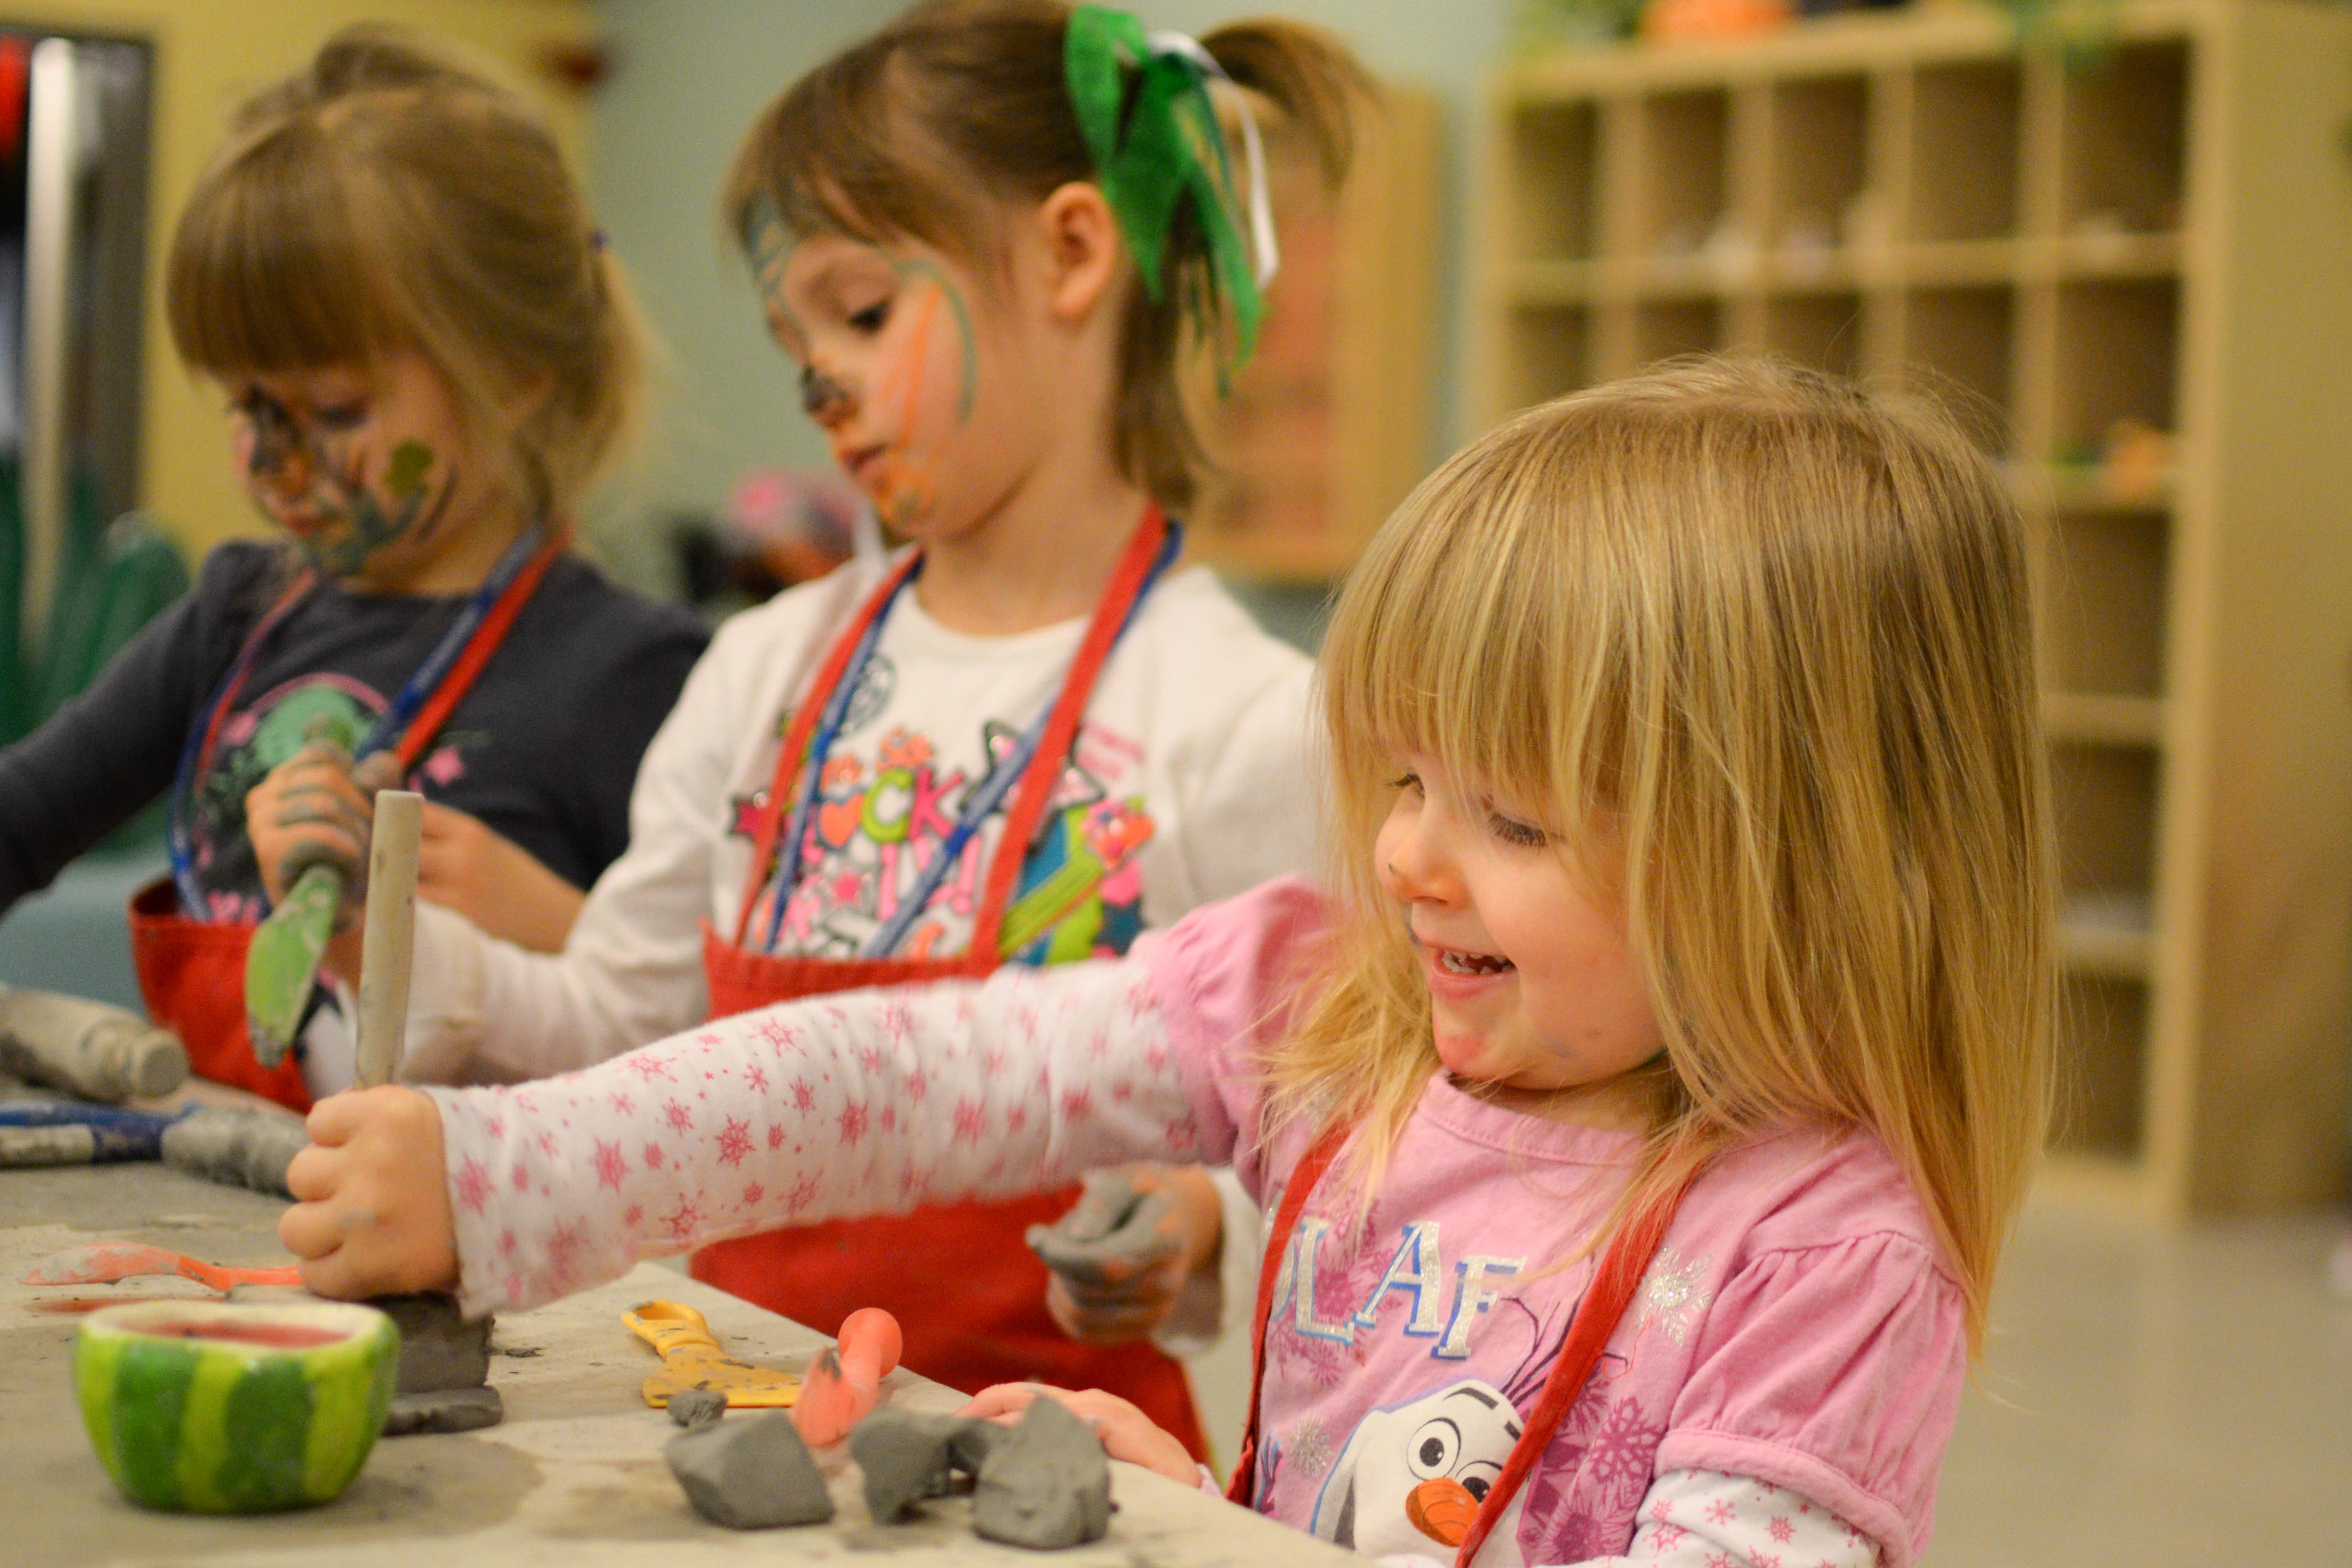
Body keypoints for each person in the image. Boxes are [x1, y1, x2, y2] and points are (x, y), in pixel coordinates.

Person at [282, 360, 2057, 1565]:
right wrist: (509, 1174)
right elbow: (899, 1078)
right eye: (1408, 778)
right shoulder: (1328, 1004)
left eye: (1514, 818)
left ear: (1792, 863)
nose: (1407, 858)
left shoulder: (1826, 1256)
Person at [273, 1, 1360, 1458]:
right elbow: (616, 1023)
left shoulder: (1240, 717)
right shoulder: (763, 669)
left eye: (859, 312)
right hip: (737, 1435)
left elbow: (1339, 1153)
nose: (819, 382)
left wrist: (1199, 1220)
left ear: (1070, 254)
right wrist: (386, 938)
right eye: (796, 345)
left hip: (1047, 1476)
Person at [0, 27, 708, 1110]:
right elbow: (19, 821)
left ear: (514, 373)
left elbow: (713, 1042)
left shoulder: (635, 674)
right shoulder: (236, 615)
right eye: (247, 405)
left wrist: (560, 926)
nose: (274, 461)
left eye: (333, 410)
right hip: (197, 1183)